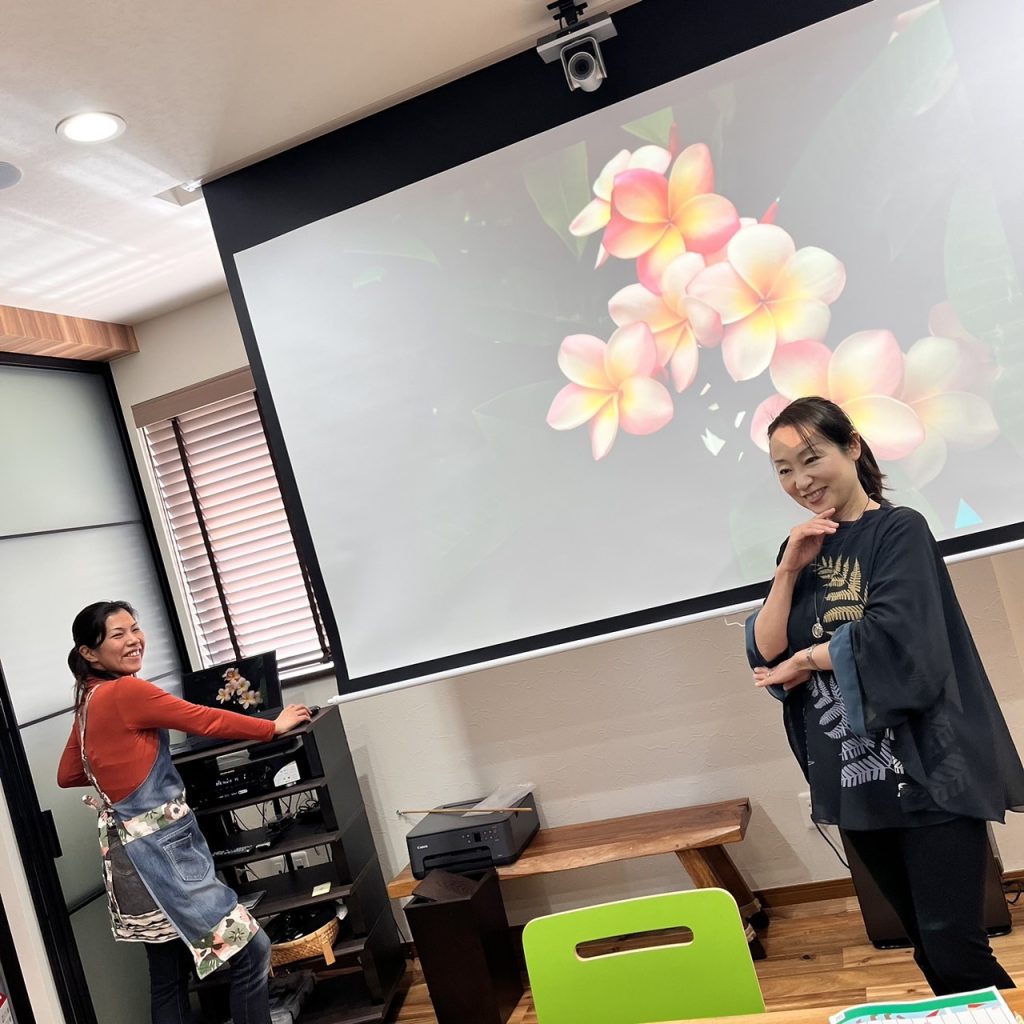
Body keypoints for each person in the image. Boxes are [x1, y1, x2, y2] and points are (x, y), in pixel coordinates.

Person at [745, 396, 1024, 996]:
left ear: (852, 447)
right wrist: (788, 570)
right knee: (923, 942)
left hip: (929, 768)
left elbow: (898, 636)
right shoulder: (801, 546)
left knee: (955, 944)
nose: (800, 480)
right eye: (784, 469)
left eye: (812, 458)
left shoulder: (900, 530)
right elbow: (767, 649)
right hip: (855, 778)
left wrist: (808, 659)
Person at [57, 600, 313, 1024]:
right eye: (118, 635)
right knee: (251, 950)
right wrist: (271, 727)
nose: (134, 640)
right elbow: (203, 720)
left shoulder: (89, 700)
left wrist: (123, 767)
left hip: (126, 860)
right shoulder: (126, 691)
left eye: (134, 629)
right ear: (89, 652)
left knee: (168, 974)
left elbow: (68, 773)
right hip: (165, 855)